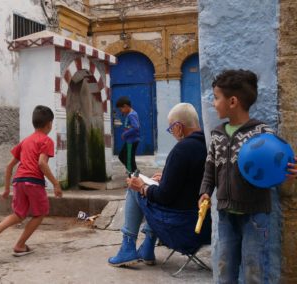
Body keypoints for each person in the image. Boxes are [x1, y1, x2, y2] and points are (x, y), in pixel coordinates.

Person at [198, 69, 297, 283]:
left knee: (255, 270)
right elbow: (209, 169)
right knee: (225, 269)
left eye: (216, 98)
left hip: (255, 215)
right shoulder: (217, 134)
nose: (213, 103)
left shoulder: (263, 133)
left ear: (232, 101)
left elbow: (278, 168)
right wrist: (205, 193)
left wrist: (288, 175)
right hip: (226, 215)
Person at [108, 102, 207, 267]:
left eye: (171, 129)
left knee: (135, 188)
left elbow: (164, 197)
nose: (172, 133)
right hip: (201, 225)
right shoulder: (207, 145)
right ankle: (147, 247)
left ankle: (128, 247)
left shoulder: (181, 150)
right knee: (150, 187)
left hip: (179, 226)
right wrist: (167, 177)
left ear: (178, 127)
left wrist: (142, 187)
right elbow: (191, 182)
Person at [0, 105, 63, 256]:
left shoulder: (25, 141)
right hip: (33, 181)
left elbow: (9, 166)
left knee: (19, 214)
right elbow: (41, 163)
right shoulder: (46, 141)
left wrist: (7, 188)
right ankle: (20, 245)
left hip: (19, 181)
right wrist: (56, 183)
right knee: (40, 213)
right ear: (49, 124)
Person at [116, 96, 140, 173]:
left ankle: (133, 174)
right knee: (123, 156)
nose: (121, 111)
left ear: (126, 106)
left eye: (121, 109)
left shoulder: (131, 115)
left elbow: (136, 127)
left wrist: (125, 134)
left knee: (128, 159)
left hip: (132, 141)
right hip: (130, 140)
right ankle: (133, 171)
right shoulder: (131, 114)